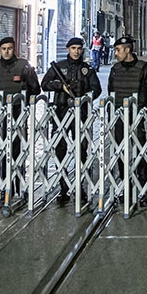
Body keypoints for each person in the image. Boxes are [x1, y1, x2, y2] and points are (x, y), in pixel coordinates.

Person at [42, 35, 102, 203]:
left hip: (80, 113)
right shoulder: (59, 68)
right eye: (73, 48)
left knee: (82, 150)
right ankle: (63, 187)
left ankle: (81, 186)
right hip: (61, 111)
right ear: (68, 49)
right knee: (60, 149)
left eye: (79, 48)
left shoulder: (87, 69)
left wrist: (84, 96)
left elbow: (96, 88)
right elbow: (44, 83)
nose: (76, 51)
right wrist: (60, 86)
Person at [0, 36, 40, 200]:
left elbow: (35, 89)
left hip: (18, 115)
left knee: (18, 151)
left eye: (9, 48)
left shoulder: (24, 67)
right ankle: (4, 186)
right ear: (0, 50)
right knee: (2, 151)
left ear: (14, 49)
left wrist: (23, 102)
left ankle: (19, 185)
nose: (6, 51)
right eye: (3, 49)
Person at [107, 34, 147, 195]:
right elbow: (111, 91)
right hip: (119, 117)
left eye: (118, 50)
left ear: (127, 50)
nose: (116, 53)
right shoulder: (115, 69)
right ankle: (125, 184)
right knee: (120, 151)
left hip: (138, 116)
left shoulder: (145, 69)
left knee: (141, 150)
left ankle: (144, 186)